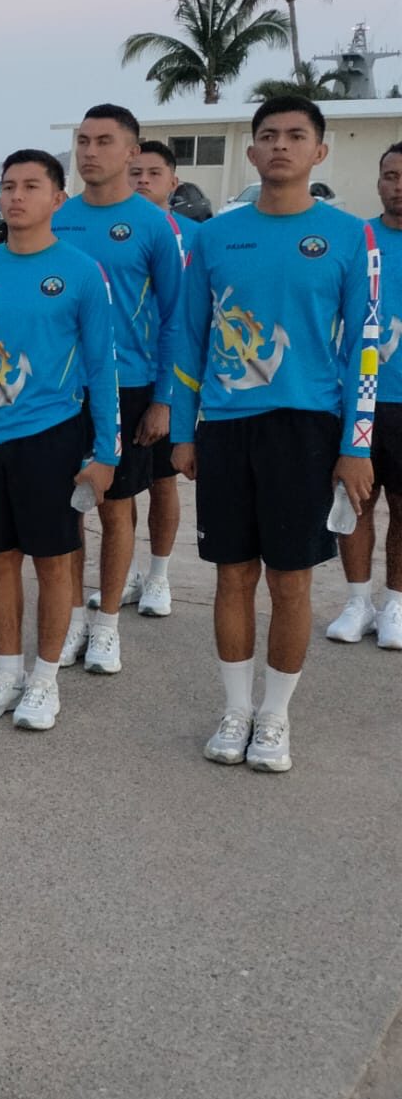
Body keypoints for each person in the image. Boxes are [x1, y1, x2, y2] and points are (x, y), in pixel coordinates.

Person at [171, 98, 378, 773]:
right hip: (227, 429)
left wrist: (356, 444)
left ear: (320, 152)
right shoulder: (214, 237)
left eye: (296, 136)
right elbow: (189, 336)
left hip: (307, 430)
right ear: (253, 154)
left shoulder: (349, 237)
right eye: (268, 137)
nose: (280, 146)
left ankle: (275, 716)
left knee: (290, 583)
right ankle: (235, 710)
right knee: (233, 576)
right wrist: (183, 429)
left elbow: (364, 348)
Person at [0, 150, 119, 731]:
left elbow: (102, 369)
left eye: (30, 186)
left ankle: (45, 681)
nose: (15, 196)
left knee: (52, 562)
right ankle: (7, 671)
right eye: (7, 186)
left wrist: (106, 454)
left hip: (52, 437)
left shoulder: (80, 271)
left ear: (56, 199)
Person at [51, 104, 185, 675]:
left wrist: (163, 399)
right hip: (59, 391)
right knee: (67, 510)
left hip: (129, 387)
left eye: (104, 141)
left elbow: (179, 318)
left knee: (115, 508)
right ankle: (74, 616)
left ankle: (107, 625)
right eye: (83, 140)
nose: (89, 151)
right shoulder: (57, 218)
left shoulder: (154, 224)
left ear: (131, 154)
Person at [325, 141, 402, 650]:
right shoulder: (357, 238)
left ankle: (395, 603)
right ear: (378, 182)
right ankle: (358, 602)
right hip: (359, 397)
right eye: (390, 175)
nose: (398, 185)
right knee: (354, 501)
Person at [119, 139, 195, 616]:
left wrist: (168, 398)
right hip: (115, 381)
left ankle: (160, 577)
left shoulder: (193, 237)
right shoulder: (112, 230)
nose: (142, 180)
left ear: (173, 182)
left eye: (152, 173)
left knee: (163, 481)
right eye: (135, 172)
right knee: (117, 487)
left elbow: (185, 322)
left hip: (166, 380)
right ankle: (123, 574)